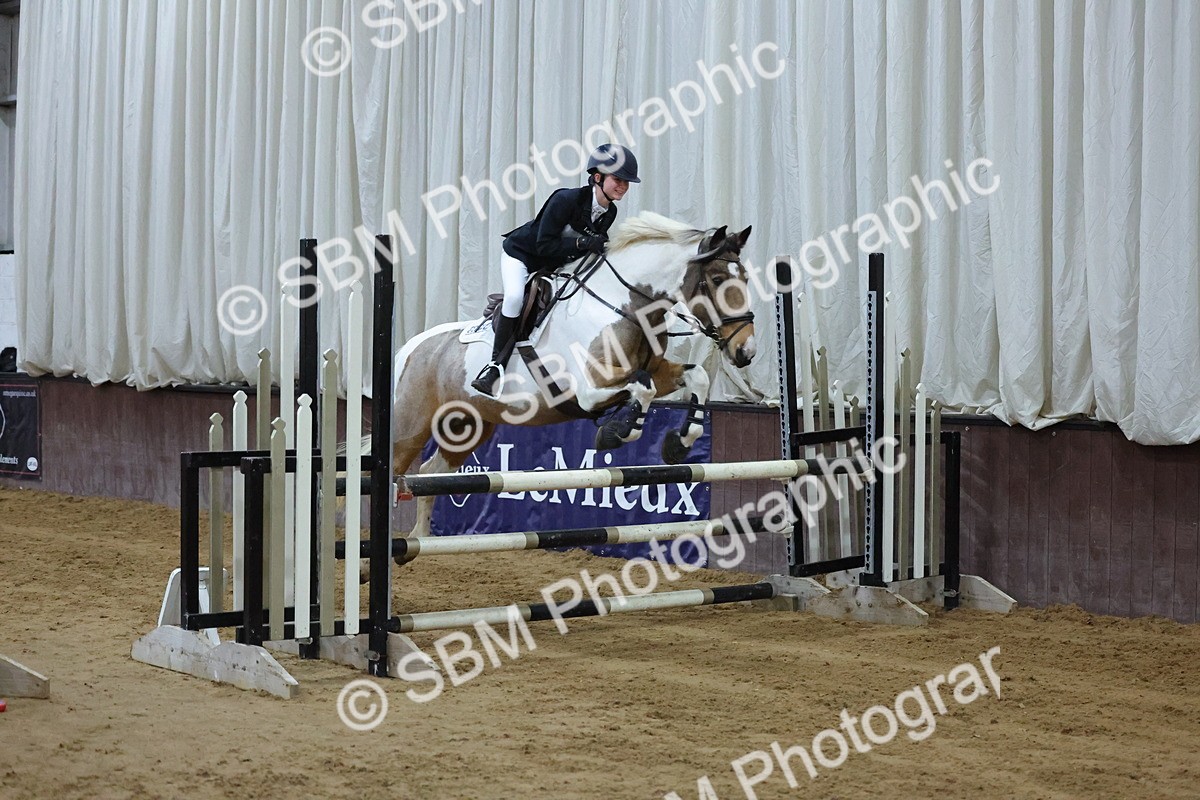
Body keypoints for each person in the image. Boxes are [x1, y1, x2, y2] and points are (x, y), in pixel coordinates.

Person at [470, 143, 641, 396]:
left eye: (627, 182)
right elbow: (544, 243)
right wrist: (583, 242)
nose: (623, 187)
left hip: (554, 265)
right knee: (516, 297)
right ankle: (494, 367)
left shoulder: (609, 212)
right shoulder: (566, 199)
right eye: (618, 179)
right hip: (522, 256)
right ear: (597, 177)